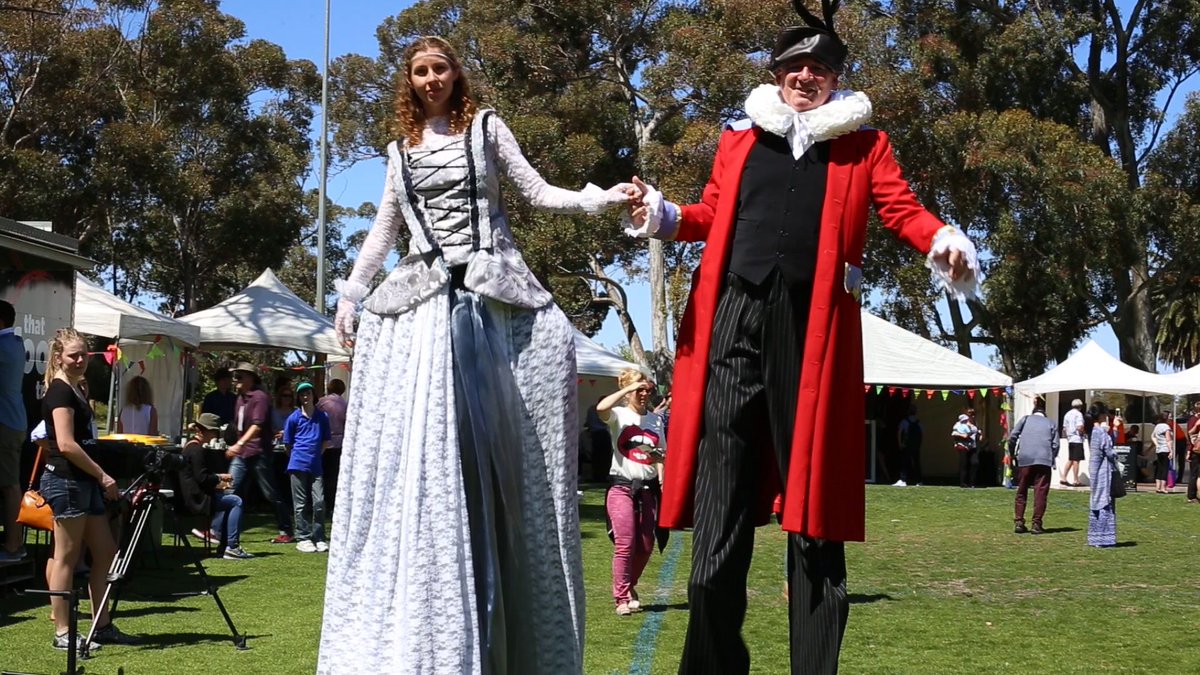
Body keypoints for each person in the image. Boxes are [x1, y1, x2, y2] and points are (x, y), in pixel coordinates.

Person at [623, 11, 979, 673]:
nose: (805, 77)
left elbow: (901, 208)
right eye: (794, 67)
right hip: (731, 316)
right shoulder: (737, 140)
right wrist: (663, 215)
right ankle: (713, 662)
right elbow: (707, 213)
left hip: (811, 332)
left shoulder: (864, 145)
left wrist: (944, 244)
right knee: (719, 495)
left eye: (819, 69)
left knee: (813, 505)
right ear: (777, 74)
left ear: (836, 78)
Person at [322, 36, 634, 674]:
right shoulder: (399, 151)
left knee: (502, 451)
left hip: (492, 297)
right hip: (427, 302)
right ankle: (425, 598)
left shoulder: (486, 129)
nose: (430, 79)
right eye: (419, 71)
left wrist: (601, 198)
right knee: (425, 446)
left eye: (439, 68)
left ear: (456, 74)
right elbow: (384, 230)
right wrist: (352, 293)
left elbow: (538, 192)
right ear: (408, 82)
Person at [39, 329, 138, 651]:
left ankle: (102, 625)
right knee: (66, 557)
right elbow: (65, 444)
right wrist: (103, 476)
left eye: (83, 354)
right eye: (73, 355)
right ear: (59, 358)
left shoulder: (77, 389)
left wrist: (98, 477)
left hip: (85, 481)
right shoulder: (59, 392)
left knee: (107, 552)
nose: (80, 360)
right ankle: (63, 632)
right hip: (66, 480)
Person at [596, 369, 666, 617]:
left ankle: (630, 586)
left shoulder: (655, 420)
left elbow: (660, 456)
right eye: (640, 390)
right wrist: (628, 389)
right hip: (621, 487)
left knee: (646, 545)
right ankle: (622, 597)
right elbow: (601, 408)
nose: (645, 394)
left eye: (647, 389)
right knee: (625, 544)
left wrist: (661, 472)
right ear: (628, 392)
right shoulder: (619, 415)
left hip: (647, 489)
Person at [226, 362, 293, 544]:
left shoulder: (260, 397)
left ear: (250, 378)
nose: (235, 380)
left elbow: (257, 426)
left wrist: (239, 444)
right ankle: (217, 530)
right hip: (242, 453)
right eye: (235, 376)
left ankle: (286, 529)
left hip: (258, 452)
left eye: (239, 376)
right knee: (229, 488)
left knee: (270, 493)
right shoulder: (240, 399)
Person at [177, 412, 253, 560]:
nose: (215, 436)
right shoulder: (197, 450)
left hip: (189, 496)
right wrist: (220, 477)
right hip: (197, 500)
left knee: (228, 499)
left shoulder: (189, 447)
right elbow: (202, 478)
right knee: (236, 501)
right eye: (214, 432)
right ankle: (232, 546)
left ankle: (224, 546)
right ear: (205, 431)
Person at [283, 381, 330, 553]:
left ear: (313, 395)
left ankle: (319, 537)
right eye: (302, 394)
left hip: (316, 464)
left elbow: (326, 440)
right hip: (297, 464)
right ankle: (303, 537)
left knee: (319, 501)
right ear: (298, 397)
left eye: (308, 393)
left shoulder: (322, 417)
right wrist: (296, 458)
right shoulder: (293, 418)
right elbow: (287, 444)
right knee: (300, 504)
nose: (305, 397)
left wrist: (318, 455)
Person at [0, 300, 27, 563]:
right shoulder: (15, 344)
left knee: (9, 485)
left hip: (5, 424)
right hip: (13, 422)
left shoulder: (3, 346)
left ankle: (13, 545)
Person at [1008, 398, 1058, 534]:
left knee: (1022, 489)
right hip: (1044, 460)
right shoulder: (1051, 423)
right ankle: (1036, 524)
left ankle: (1019, 521)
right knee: (1040, 492)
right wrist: (1052, 458)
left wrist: (1013, 453)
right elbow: (1055, 444)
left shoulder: (1025, 419)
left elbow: (1012, 436)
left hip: (1025, 458)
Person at [1086, 404, 1119, 547]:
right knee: (1105, 503)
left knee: (1097, 502)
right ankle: (1104, 538)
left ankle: (1095, 538)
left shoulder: (1092, 431)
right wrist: (1116, 428)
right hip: (1103, 472)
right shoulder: (1100, 432)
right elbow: (1109, 451)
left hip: (1095, 471)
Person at [317, 378, 348, 512]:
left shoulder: (321, 402)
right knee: (333, 476)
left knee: (320, 475)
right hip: (338, 442)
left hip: (322, 442)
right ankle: (331, 504)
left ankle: (320, 503)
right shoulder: (345, 404)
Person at [894, 405, 923, 487]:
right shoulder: (918, 422)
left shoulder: (904, 421)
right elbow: (922, 434)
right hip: (916, 445)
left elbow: (899, 432)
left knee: (905, 462)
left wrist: (900, 443)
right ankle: (919, 481)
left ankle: (903, 480)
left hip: (907, 445)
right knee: (916, 463)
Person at [1060, 398, 1085, 487]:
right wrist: (1083, 433)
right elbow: (1079, 427)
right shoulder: (1078, 414)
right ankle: (1076, 480)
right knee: (1076, 460)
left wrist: (1067, 436)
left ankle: (1063, 477)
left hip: (1070, 439)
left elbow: (1064, 428)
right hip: (1077, 438)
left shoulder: (1067, 414)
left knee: (1071, 459)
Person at [952, 413, 979, 488]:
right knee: (964, 464)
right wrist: (963, 436)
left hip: (973, 446)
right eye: (971, 415)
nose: (972, 416)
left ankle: (972, 482)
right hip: (963, 446)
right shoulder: (959, 424)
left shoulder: (975, 424)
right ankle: (963, 482)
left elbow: (976, 433)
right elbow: (954, 433)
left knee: (974, 463)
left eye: (974, 414)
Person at [1152, 411, 1172, 493]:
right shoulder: (1166, 427)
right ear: (1166, 417)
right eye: (1170, 416)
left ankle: (1157, 487)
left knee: (1159, 468)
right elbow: (1168, 440)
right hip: (1165, 449)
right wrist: (1171, 451)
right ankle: (1163, 487)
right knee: (1165, 468)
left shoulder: (1157, 426)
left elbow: (1153, 436)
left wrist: (1157, 444)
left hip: (1159, 450)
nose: (1171, 418)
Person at [1187, 401, 1200, 504]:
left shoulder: (1193, 420)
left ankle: (1193, 496)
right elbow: (1190, 434)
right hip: (1195, 450)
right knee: (1194, 474)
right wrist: (1188, 450)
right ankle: (1191, 496)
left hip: (1195, 449)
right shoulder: (1194, 420)